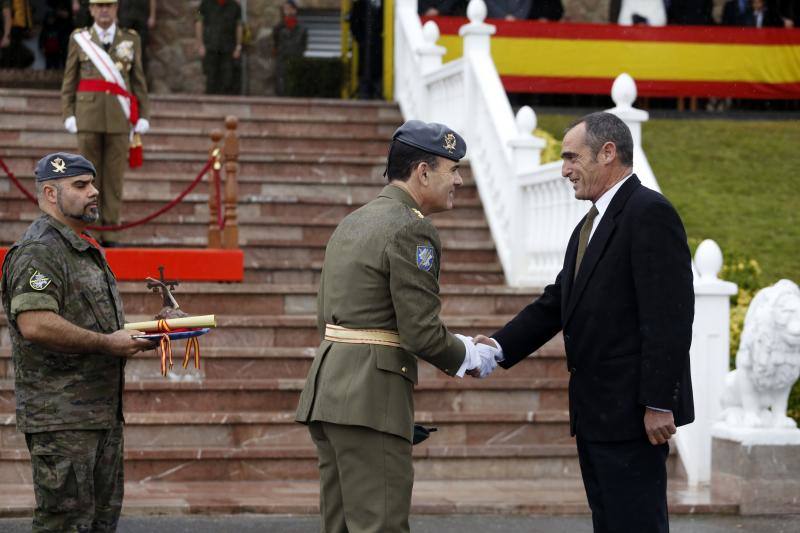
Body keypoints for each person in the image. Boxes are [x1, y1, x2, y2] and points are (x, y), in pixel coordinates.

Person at [475, 112, 695, 533]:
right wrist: (499, 347)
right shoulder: (588, 225)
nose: (564, 170)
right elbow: (558, 302)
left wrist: (659, 402)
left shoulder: (649, 212)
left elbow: (669, 317)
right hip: (597, 415)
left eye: (572, 158)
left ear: (608, 153)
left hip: (633, 417)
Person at [295, 120, 497, 533]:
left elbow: (339, 316)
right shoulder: (411, 227)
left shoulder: (353, 221)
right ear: (422, 172)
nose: (459, 180)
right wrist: (471, 356)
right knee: (380, 526)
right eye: (452, 170)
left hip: (329, 389)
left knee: (341, 526)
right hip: (371, 398)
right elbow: (419, 330)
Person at [1, 152, 154, 532]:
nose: (95, 191)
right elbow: (35, 323)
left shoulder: (80, 247)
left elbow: (96, 324)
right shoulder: (41, 250)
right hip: (63, 420)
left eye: (93, 183)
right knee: (65, 525)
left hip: (99, 417)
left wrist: (153, 330)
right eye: (81, 185)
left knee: (100, 523)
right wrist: (107, 344)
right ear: (51, 193)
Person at [61, 0, 151, 247]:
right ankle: (90, 229)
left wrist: (143, 115)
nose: (103, 10)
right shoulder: (80, 39)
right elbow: (70, 79)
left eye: (108, 6)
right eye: (99, 6)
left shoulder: (131, 40)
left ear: (116, 9)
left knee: (113, 179)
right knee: (87, 178)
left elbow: (138, 80)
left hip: (119, 119)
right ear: (90, 10)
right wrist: (68, 112)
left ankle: (110, 231)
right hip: (87, 117)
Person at [195, 0, 242, 95]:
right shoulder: (203, 5)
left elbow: (239, 26)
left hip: (228, 49)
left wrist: (238, 46)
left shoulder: (235, 7)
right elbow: (198, 22)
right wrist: (200, 44)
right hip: (210, 47)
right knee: (211, 79)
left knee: (227, 80)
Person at [272, 0, 307, 97]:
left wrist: (299, 54)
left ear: (295, 10)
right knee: (281, 82)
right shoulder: (278, 27)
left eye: (289, 9)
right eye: (285, 9)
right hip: (282, 58)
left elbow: (304, 45)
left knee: (295, 81)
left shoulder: (302, 29)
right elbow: (275, 42)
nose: (287, 11)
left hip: (295, 58)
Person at [117, 0, 156, 69]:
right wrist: (114, 16)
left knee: (141, 48)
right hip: (125, 15)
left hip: (142, 16)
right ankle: (124, 75)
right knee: (124, 47)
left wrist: (152, 16)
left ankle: (140, 76)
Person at [0, 0, 34, 68]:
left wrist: (7, 36)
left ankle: (10, 71)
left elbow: (7, 15)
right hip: (16, 27)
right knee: (15, 53)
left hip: (12, 28)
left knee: (10, 54)